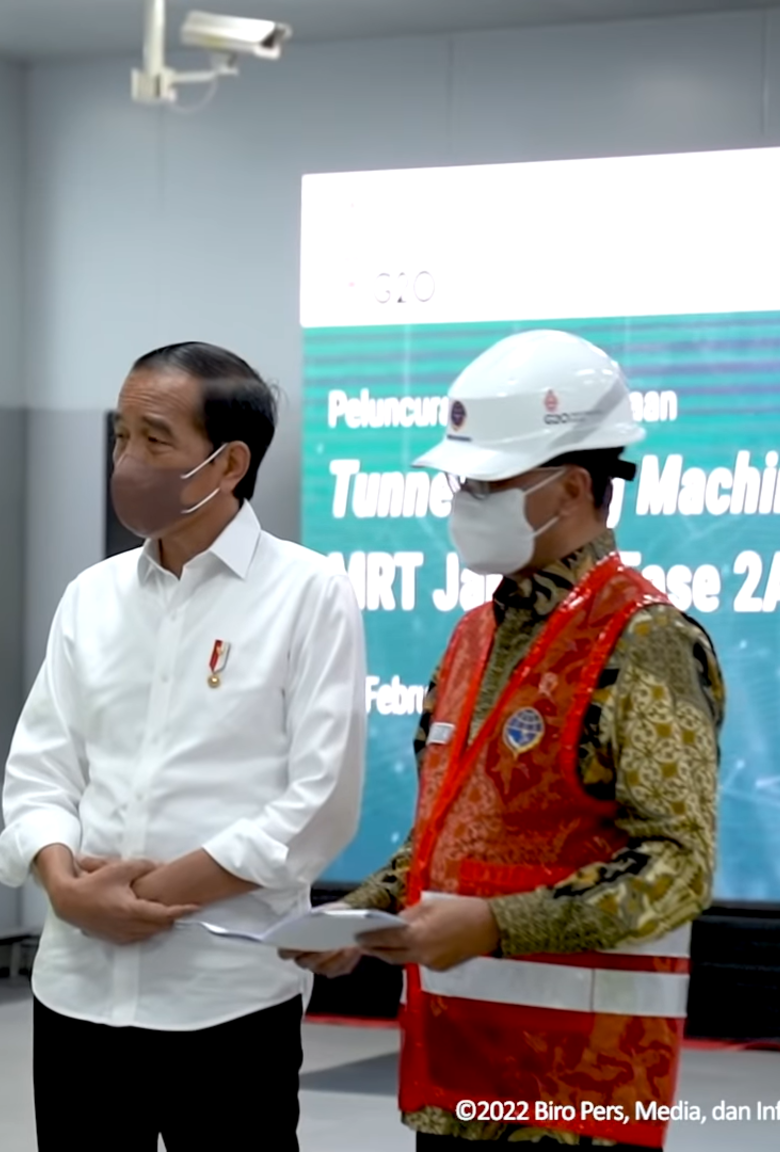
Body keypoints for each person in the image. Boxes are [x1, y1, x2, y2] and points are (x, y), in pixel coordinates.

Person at [298, 330, 724, 1150]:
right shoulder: (473, 637)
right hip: (456, 1073)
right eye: (463, 479)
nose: (464, 500)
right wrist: (360, 913)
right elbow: (450, 836)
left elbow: (677, 867)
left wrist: (497, 925)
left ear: (570, 488)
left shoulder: (645, 639)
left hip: (578, 1096)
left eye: (486, 481)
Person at [0, 341, 368, 1151]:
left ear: (229, 463)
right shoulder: (90, 598)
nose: (128, 460)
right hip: (76, 994)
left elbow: (318, 806)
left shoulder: (308, 595)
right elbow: (40, 771)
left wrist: (154, 894)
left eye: (154, 440)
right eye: (121, 437)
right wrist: (65, 885)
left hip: (225, 996)